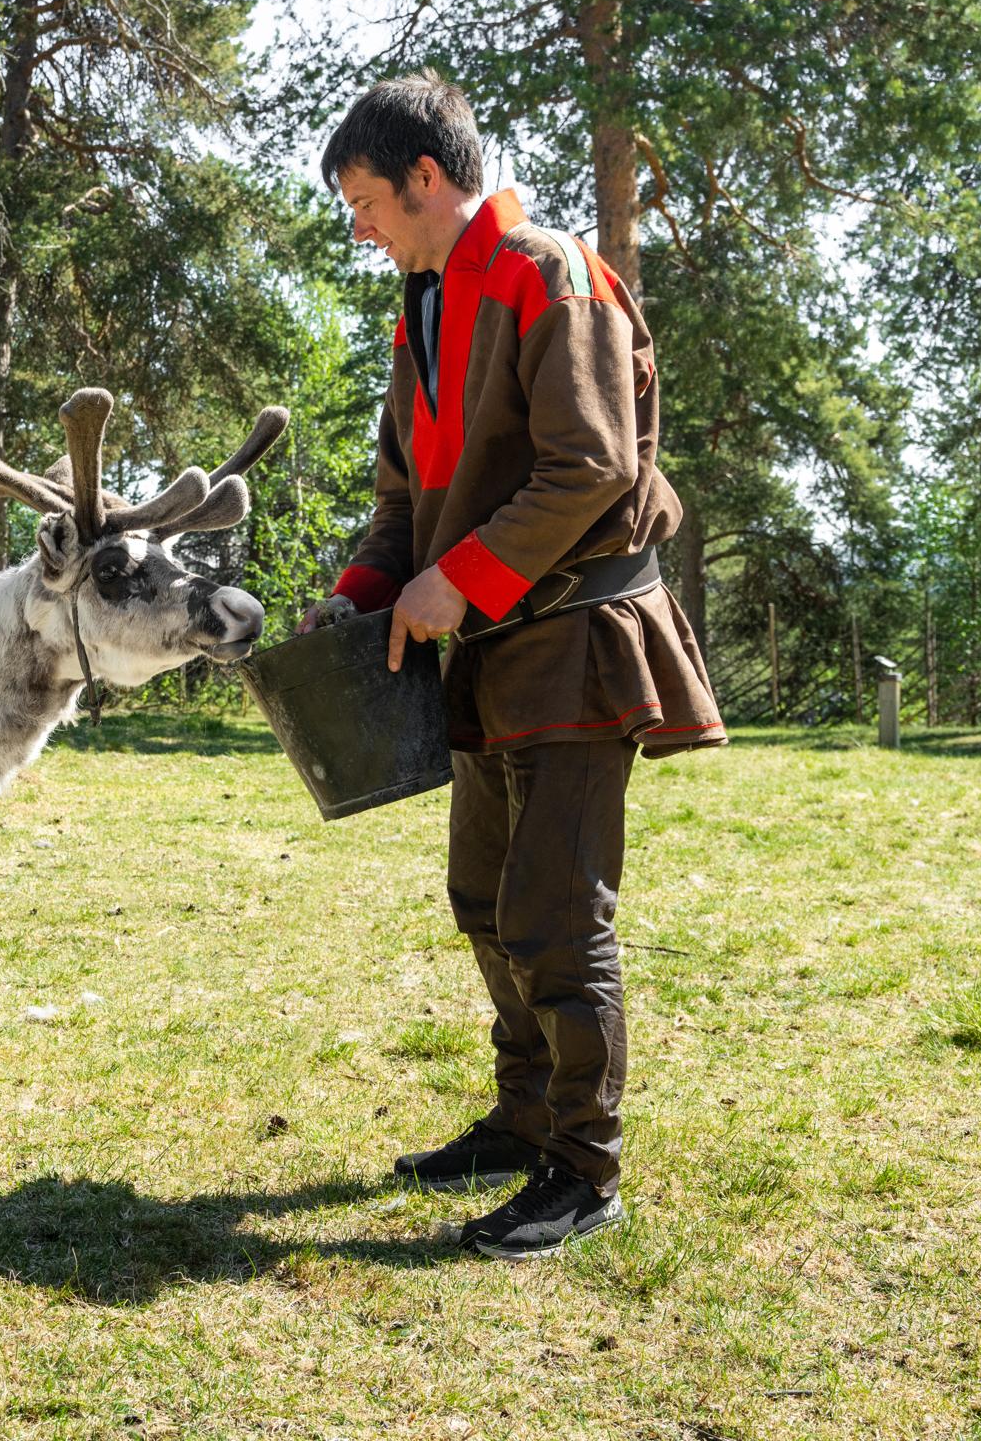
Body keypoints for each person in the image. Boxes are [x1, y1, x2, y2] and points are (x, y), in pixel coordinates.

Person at [301, 73, 726, 1260]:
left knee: (554, 912)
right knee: (484, 898)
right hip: (487, 658)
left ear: (428, 180)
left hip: (581, 648)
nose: (361, 227)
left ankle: (584, 1172)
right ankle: (525, 1117)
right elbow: (405, 502)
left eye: (368, 202)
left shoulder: (550, 277)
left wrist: (456, 581)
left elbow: (587, 470)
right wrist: (360, 597)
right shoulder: (424, 307)